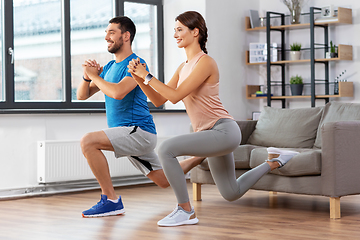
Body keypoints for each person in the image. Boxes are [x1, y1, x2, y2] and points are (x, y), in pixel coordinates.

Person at [127, 11, 299, 227]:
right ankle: (275, 161)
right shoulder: (183, 67)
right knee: (231, 192)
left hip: (223, 131)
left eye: (179, 29)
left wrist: (148, 76)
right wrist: (141, 80)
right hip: (210, 134)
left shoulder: (206, 62)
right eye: (174, 30)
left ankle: (185, 210)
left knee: (166, 149)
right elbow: (161, 99)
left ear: (195, 31)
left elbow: (176, 95)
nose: (175, 35)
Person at [78, 16, 204, 218]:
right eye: (106, 33)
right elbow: (82, 95)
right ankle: (202, 156)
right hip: (127, 133)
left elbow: (118, 92)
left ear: (126, 36)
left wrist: (94, 76)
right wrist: (87, 76)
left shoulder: (136, 63)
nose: (106, 38)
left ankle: (110, 200)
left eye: (111, 33)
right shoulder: (110, 67)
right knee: (163, 180)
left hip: (138, 131)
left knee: (88, 142)